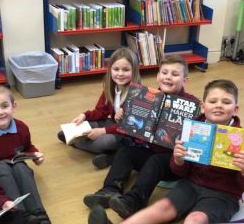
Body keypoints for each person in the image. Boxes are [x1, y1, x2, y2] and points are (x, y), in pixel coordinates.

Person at [88, 79, 244, 224]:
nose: (218, 106)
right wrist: (177, 159)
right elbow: (179, 171)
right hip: (191, 184)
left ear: (236, 108)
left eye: (226, 102)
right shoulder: (193, 129)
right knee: (162, 207)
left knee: (195, 219)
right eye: (213, 101)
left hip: (223, 194)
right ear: (203, 106)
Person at [83, 54, 200, 210]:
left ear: (185, 80)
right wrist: (122, 118)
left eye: (175, 74)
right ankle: (109, 190)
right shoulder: (146, 97)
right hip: (149, 151)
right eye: (164, 72)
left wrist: (202, 117)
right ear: (158, 76)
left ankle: (133, 202)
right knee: (126, 151)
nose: (168, 77)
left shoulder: (193, 104)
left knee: (156, 161)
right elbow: (131, 130)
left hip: (173, 162)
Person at [0, 84, 56, 224]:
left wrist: (36, 155)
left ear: (14, 106)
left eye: (4, 106)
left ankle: (40, 217)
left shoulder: (21, 127)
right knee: (3, 169)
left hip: (17, 165)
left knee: (21, 168)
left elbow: (27, 147)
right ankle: (20, 216)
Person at [57, 47, 141, 169]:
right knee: (85, 124)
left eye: (126, 70)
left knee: (106, 142)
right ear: (110, 69)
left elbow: (128, 128)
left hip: (126, 135)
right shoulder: (111, 88)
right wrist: (84, 115)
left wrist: (101, 131)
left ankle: (78, 142)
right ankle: (78, 138)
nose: (120, 74)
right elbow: (100, 112)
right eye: (116, 69)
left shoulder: (138, 95)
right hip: (111, 124)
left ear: (134, 71)